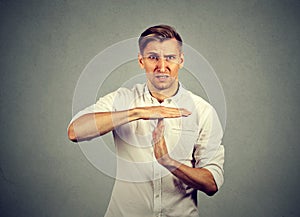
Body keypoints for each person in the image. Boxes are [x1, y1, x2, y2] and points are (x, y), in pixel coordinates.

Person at [68, 24, 225, 217]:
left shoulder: (202, 111)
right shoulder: (123, 99)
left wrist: (168, 162)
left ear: (181, 61)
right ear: (141, 61)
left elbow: (211, 183)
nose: (162, 66)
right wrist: (136, 113)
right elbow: (75, 131)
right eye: (153, 57)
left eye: (170, 58)